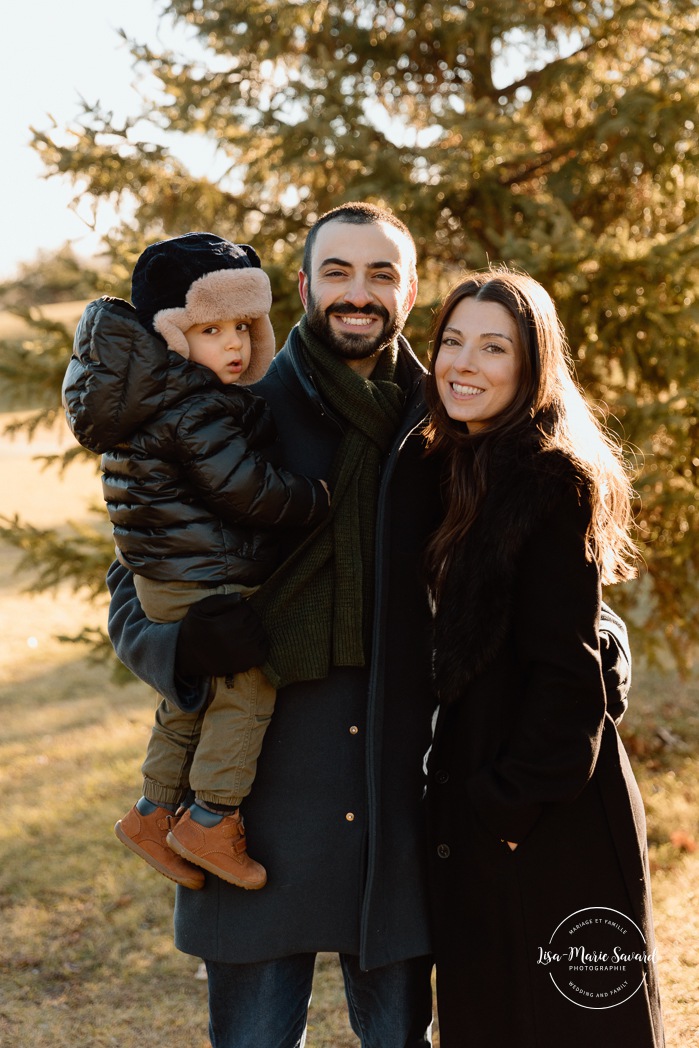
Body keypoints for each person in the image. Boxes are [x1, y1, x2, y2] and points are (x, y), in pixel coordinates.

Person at [103, 205, 632, 1048]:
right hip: (255, 801)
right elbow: (138, 577)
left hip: (398, 802)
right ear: (305, 286)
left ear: (410, 292)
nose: (359, 293)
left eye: (381, 274)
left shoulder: (444, 423)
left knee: (399, 1038)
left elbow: (534, 562)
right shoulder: (237, 409)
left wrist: (605, 646)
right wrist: (182, 647)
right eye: (338, 273)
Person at [424, 269, 664, 1046]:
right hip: (487, 811)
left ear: (532, 368)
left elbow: (569, 674)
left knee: (570, 1027)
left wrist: (507, 803)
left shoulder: (547, 477)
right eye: (451, 341)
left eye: (493, 347)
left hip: (547, 812)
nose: (464, 362)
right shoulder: (458, 464)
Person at [63, 232, 330, 893]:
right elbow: (243, 487)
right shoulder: (194, 404)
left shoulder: (149, 397)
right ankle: (212, 816)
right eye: (211, 329)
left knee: (191, 701)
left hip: (168, 573)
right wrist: (313, 499)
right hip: (198, 576)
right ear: (173, 334)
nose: (234, 345)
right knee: (245, 687)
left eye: (243, 326)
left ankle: (153, 812)